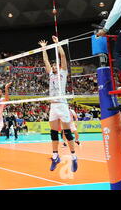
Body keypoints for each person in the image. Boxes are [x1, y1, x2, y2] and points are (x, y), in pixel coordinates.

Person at [39, 36, 78, 172]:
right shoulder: (50, 74)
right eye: (53, 65)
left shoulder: (63, 72)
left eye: (55, 65)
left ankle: (74, 157)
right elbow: (45, 61)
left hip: (62, 104)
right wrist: (44, 49)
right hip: (53, 105)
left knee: (67, 132)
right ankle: (55, 156)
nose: (54, 66)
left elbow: (62, 55)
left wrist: (58, 43)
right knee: (53, 132)